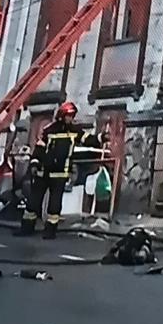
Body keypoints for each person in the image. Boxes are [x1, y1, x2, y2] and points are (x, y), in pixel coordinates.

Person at [16, 102, 102, 239]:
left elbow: (88, 139)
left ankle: (50, 231)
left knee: (55, 205)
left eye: (72, 116)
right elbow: (39, 148)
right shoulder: (49, 130)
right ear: (61, 116)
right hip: (43, 171)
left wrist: (101, 138)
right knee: (33, 202)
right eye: (68, 116)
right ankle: (27, 227)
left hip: (60, 173)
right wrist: (34, 164)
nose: (70, 119)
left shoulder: (74, 130)